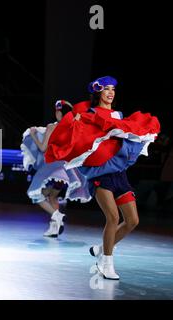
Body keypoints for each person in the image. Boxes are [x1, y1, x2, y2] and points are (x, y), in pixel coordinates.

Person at [45, 76, 160, 279]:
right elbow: (78, 136)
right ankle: (106, 263)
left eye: (113, 89)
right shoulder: (89, 114)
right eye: (106, 89)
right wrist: (76, 123)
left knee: (132, 220)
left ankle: (101, 248)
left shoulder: (118, 115)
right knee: (113, 217)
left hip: (119, 174)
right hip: (100, 175)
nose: (110, 92)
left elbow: (125, 136)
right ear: (98, 92)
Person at [21, 100, 91, 237]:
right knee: (52, 195)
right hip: (67, 169)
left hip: (53, 166)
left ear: (58, 112)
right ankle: (55, 227)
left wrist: (34, 135)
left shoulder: (52, 127)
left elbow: (43, 148)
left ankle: (57, 215)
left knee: (34, 194)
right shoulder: (73, 127)